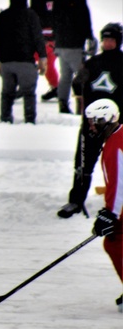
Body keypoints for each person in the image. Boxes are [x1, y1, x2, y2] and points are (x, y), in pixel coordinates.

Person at [58, 22, 123, 219]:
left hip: (118, 125)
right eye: (105, 39)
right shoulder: (93, 62)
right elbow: (78, 87)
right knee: (82, 163)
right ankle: (75, 200)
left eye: (111, 39)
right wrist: (79, 81)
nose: (107, 43)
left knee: (118, 164)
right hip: (93, 123)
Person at [85, 99, 123, 312]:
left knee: (114, 241)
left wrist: (111, 213)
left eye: (94, 122)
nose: (91, 126)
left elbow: (119, 184)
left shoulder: (115, 145)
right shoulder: (117, 137)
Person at [0, 0, 47, 124]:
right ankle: (29, 120)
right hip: (26, 62)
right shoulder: (31, 15)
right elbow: (38, 38)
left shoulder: (2, 16)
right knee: (29, 93)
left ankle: (5, 118)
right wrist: (42, 57)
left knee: (7, 94)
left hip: (7, 63)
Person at [49, 0, 95, 114]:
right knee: (82, 76)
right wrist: (90, 36)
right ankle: (81, 105)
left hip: (61, 44)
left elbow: (54, 20)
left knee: (65, 77)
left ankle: (62, 103)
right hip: (75, 45)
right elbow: (85, 21)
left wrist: (56, 37)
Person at [30, 0, 59, 95]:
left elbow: (33, 16)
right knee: (49, 63)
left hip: (40, 36)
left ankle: (26, 85)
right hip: (54, 36)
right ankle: (55, 87)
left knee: (32, 60)